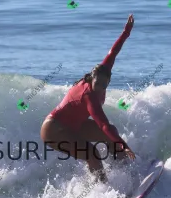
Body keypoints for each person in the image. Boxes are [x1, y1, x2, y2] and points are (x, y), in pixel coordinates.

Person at [40, 14, 136, 183]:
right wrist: (124, 145)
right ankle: (103, 189)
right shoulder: (89, 96)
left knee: (111, 136)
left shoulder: (102, 72)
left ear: (109, 81)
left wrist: (126, 32)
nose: (100, 88)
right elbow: (103, 124)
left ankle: (127, 173)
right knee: (93, 153)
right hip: (54, 130)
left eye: (104, 85)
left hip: (73, 125)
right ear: (92, 78)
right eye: (97, 84)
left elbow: (113, 52)